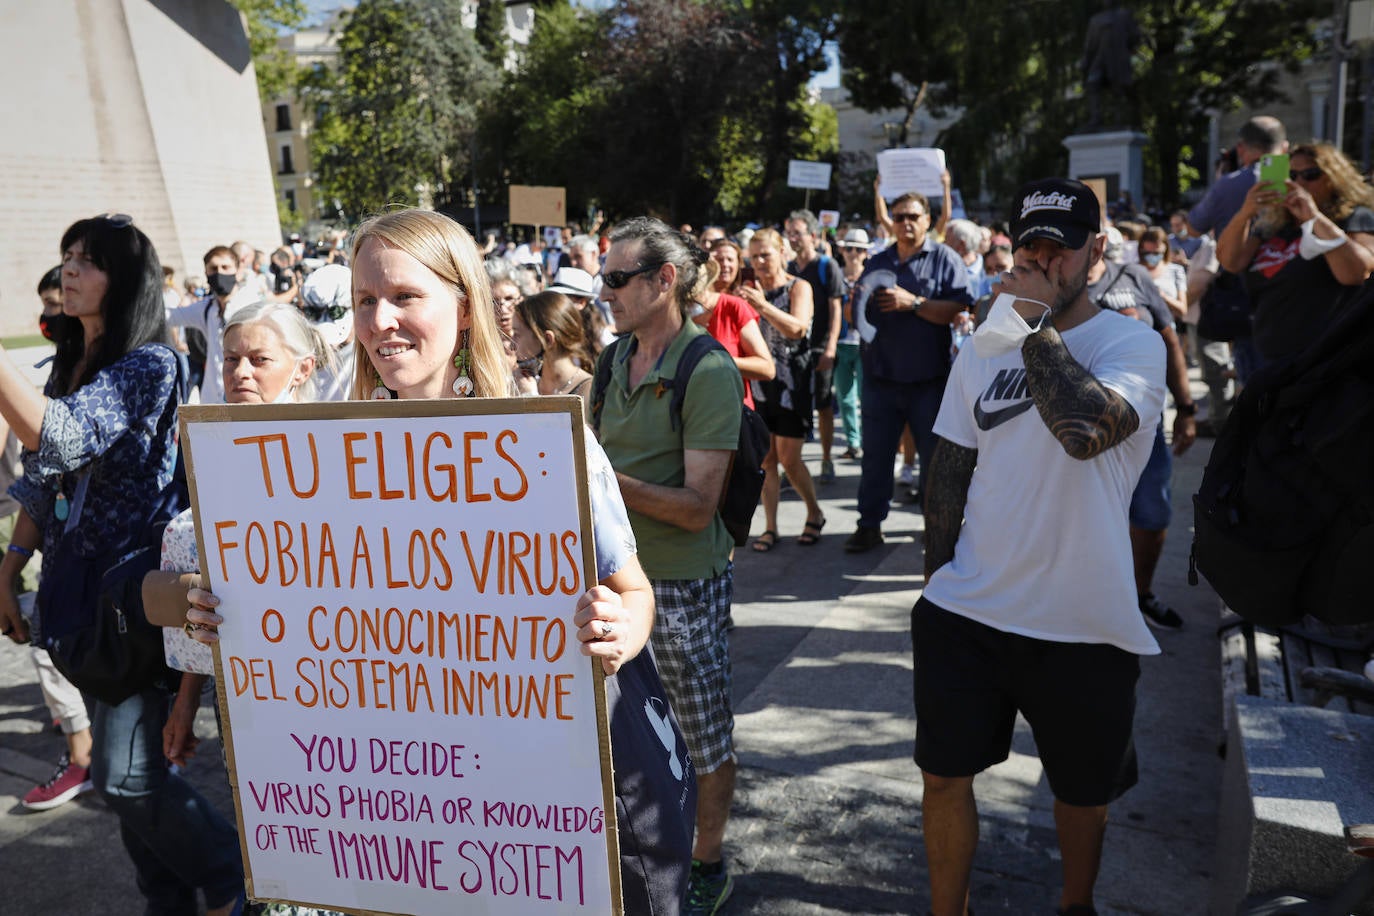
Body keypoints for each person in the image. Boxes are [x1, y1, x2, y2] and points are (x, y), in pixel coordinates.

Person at [183, 209, 695, 914]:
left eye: (404, 297)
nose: (380, 320)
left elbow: (634, 591)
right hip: (412, 817)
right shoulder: (318, 461)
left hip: (548, 798)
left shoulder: (539, 441)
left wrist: (621, 626)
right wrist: (230, 611)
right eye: (365, 301)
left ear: (463, 304)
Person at [918, 179, 1166, 916]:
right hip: (969, 613)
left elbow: (1086, 431)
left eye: (1060, 248)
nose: (1042, 260)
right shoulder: (979, 347)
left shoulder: (1133, 342)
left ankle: (1074, 903)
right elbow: (948, 472)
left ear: (1095, 253)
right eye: (1030, 245)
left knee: (1081, 795)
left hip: (1085, 624)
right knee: (942, 777)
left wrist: (1027, 328)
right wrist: (934, 588)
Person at [0, 214, 244, 915]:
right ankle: (167, 902)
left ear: (126, 278)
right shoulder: (79, 361)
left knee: (128, 777)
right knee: (133, 792)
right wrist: (11, 563)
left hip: (132, 601)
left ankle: (234, 881)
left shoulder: (150, 365)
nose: (70, 269)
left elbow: (65, 439)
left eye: (89, 259)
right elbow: (47, 479)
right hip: (80, 596)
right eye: (66, 256)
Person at [593, 218, 743, 915]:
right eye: (604, 278)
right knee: (625, 732)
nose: (606, 292)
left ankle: (707, 861)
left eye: (618, 279)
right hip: (619, 578)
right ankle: (645, 853)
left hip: (683, 583)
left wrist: (603, 484)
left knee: (699, 731)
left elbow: (696, 507)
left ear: (665, 280)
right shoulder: (610, 359)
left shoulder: (708, 367)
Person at [145, 301, 331, 776]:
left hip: (323, 694)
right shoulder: (216, 447)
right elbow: (212, 590)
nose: (240, 372)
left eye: (259, 360)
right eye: (231, 359)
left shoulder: (331, 452)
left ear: (301, 368)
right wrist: (187, 703)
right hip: (241, 689)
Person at [6, 267, 96, 811]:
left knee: (138, 783)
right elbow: (42, 477)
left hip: (101, 558)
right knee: (43, 636)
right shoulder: (52, 370)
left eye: (61, 303)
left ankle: (85, 753)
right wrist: (13, 560)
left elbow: (52, 448)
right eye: (47, 304)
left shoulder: (134, 370)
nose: (52, 316)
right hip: (55, 541)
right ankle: (81, 750)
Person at [845, 191, 973, 553]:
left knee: (934, 464)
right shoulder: (878, 260)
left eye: (912, 216)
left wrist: (913, 303)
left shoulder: (945, 259)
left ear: (928, 220)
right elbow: (860, 308)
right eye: (899, 216)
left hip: (928, 381)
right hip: (881, 377)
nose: (905, 223)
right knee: (875, 458)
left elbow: (958, 309)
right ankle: (869, 525)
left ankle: (936, 529)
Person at [1216, 140, 1374, 363]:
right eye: (1291, 175)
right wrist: (1245, 213)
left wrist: (1314, 217)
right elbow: (1231, 262)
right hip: (1267, 356)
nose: (1298, 182)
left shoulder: (1355, 217)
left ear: (1333, 178)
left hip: (1326, 361)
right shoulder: (1273, 224)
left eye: (1310, 174)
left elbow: (1356, 272)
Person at [738, 228, 825, 551]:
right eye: (754, 256)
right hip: (760, 386)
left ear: (782, 254)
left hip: (792, 383)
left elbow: (797, 329)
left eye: (766, 255)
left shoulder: (798, 286)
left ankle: (814, 512)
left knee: (789, 458)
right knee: (766, 459)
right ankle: (770, 527)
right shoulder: (749, 289)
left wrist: (761, 305)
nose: (760, 262)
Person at [785, 210, 845, 484]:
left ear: (812, 235)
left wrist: (831, 347)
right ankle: (792, 463)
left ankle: (826, 458)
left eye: (797, 232)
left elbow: (836, 309)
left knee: (823, 405)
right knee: (796, 405)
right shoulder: (789, 268)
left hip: (821, 346)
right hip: (796, 349)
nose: (792, 238)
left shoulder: (826, 265)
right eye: (789, 232)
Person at [167, 244, 259, 404]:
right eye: (214, 268)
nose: (220, 273)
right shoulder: (207, 307)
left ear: (237, 271)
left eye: (225, 267)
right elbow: (171, 317)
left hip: (246, 398)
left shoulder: (253, 306)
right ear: (206, 273)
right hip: (212, 399)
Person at [511, 290, 595, 418]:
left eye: (517, 335)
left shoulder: (588, 389)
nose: (512, 345)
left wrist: (530, 398)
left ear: (548, 340)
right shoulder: (525, 384)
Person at [834, 229, 871, 460]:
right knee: (844, 397)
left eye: (858, 249)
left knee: (866, 396)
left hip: (864, 343)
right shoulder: (835, 275)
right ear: (842, 251)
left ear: (866, 253)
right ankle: (853, 442)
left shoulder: (871, 276)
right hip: (840, 341)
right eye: (849, 248)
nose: (853, 254)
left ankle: (869, 441)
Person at [1138, 226, 1188, 321]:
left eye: (1156, 253)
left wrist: (1162, 296)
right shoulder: (1133, 270)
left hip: (1166, 326)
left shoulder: (1176, 270)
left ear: (1165, 249)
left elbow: (1182, 309)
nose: (1151, 256)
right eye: (1147, 253)